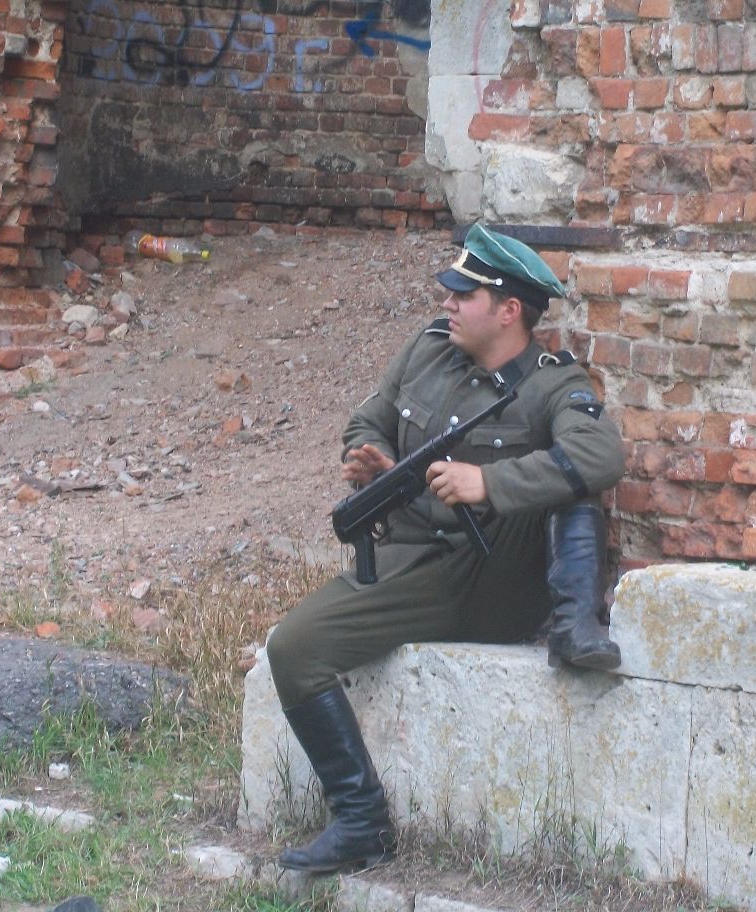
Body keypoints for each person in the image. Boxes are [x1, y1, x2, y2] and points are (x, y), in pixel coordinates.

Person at [263, 223, 626, 874]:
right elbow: (368, 416)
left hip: (490, 575)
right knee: (293, 648)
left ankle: (576, 626)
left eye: (464, 295)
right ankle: (361, 821)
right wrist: (373, 459)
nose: (447, 303)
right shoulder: (429, 350)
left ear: (508, 310)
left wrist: (487, 482)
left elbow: (600, 455)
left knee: (570, 478)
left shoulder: (550, 385)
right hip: (410, 559)